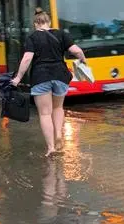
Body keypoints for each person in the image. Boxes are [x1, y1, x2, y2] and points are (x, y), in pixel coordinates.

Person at [11, 7, 86, 157]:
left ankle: (51, 147)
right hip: (60, 75)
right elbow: (77, 51)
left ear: (35, 24)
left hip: (41, 76)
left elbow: (27, 59)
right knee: (58, 108)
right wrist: (83, 61)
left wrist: (18, 77)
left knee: (45, 114)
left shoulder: (32, 38)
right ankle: (58, 133)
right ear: (49, 22)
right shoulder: (61, 34)